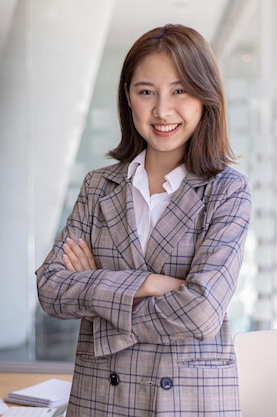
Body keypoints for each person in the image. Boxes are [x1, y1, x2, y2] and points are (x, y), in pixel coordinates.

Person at [36, 23, 252, 416]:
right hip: (102, 398)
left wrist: (97, 297)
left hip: (188, 401)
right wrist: (150, 284)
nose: (162, 110)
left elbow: (202, 312)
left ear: (206, 97)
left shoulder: (227, 191)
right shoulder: (99, 186)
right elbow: (51, 288)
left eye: (180, 90)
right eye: (146, 91)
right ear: (128, 98)